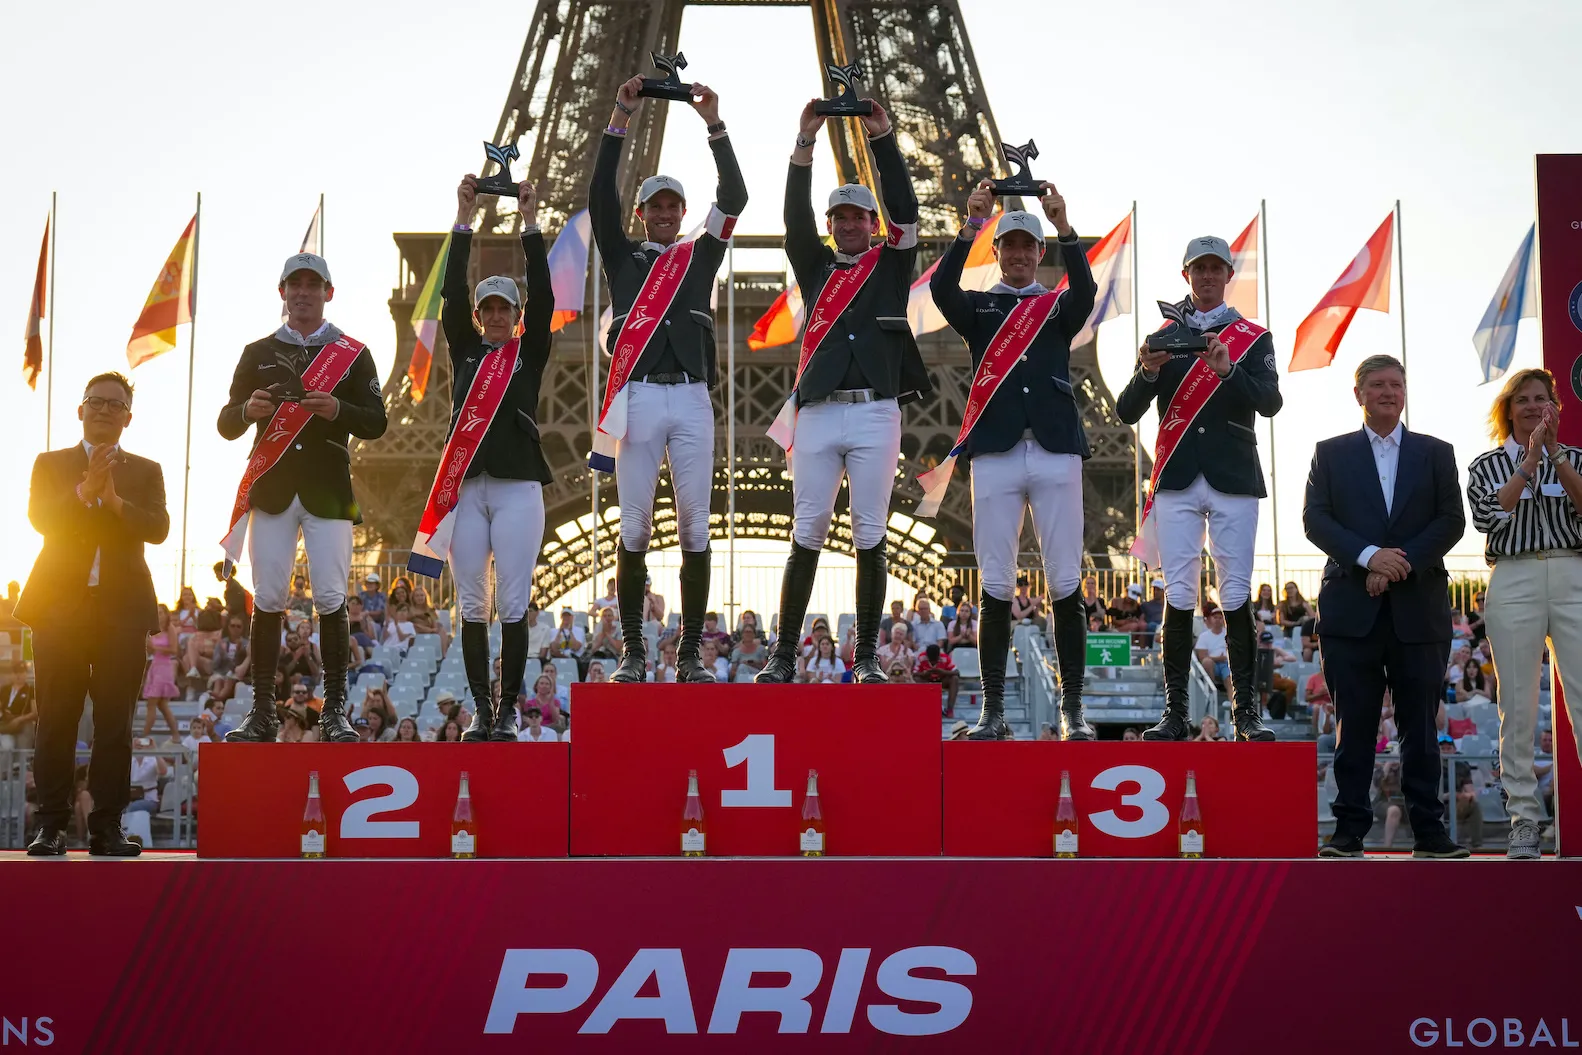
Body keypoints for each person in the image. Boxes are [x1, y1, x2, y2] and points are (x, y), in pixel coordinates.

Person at [755, 94, 930, 686]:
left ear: (870, 224)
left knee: (870, 534)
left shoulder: (890, 265)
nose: (849, 224)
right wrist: (804, 143)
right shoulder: (814, 266)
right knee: (806, 532)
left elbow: (907, 213)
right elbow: (792, 218)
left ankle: (865, 661)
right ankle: (783, 656)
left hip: (877, 413)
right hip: (820, 415)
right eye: (841, 217)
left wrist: (882, 137)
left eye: (858, 216)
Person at [926, 182, 1095, 741]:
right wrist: (971, 224)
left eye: (1029, 247)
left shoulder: (1057, 309)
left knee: (1066, 581)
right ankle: (992, 712)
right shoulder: (978, 308)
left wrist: (1064, 225)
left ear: (1040, 254)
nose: (1020, 255)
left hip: (1054, 451)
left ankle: (1072, 711)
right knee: (995, 584)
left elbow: (1087, 290)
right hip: (995, 453)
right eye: (1010, 247)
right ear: (996, 253)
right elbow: (942, 286)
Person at [591, 73, 744, 686]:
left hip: (690, 398)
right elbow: (600, 193)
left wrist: (714, 124)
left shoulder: (700, 253)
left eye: (671, 206)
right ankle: (633, 652)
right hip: (640, 399)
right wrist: (619, 119)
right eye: (652, 206)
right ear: (641, 214)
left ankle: (686, 658)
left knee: (696, 526)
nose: (661, 214)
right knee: (633, 525)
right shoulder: (623, 257)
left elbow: (734, 195)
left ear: (683, 214)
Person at [219, 251, 388, 743]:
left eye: (313, 285)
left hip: (328, 489)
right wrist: (247, 410)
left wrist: (338, 408)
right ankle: (263, 711)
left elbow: (376, 421)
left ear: (328, 293)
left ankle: (334, 710)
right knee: (268, 597)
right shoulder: (256, 352)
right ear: (283, 292)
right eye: (295, 285)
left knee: (332, 597)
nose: (304, 293)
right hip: (271, 486)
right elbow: (226, 423)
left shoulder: (354, 354)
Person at [1119, 235, 1283, 742]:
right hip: (1178, 475)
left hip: (1233, 474)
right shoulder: (1164, 336)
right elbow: (1126, 410)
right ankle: (1175, 712)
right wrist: (1148, 372)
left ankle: (1247, 715)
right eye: (1199, 269)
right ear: (1186, 275)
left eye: (1217, 269)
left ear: (1228, 276)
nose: (1208, 277)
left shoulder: (1253, 338)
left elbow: (1270, 402)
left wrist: (1228, 370)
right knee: (1180, 593)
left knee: (1235, 591)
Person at [1305, 354, 1468, 860]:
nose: (1388, 392)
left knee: (1420, 728)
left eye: (1396, 384)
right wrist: (1370, 557)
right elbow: (1317, 520)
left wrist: (1397, 564)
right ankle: (1348, 833)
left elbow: (1450, 522)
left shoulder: (1437, 453)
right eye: (1377, 384)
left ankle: (1429, 833)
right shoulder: (1329, 454)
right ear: (1359, 394)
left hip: (1418, 611)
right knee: (1353, 728)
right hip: (1352, 611)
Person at [407, 176, 550, 742]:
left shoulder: (529, 351)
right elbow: (446, 297)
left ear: (515, 315)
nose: (494, 316)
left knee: (512, 600)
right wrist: (462, 218)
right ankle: (482, 713)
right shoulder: (464, 349)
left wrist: (532, 223)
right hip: (466, 490)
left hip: (517, 488)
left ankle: (508, 709)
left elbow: (545, 294)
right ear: (478, 313)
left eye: (503, 309)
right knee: (471, 602)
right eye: (486, 308)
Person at [21, 372, 168, 856]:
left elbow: (158, 528)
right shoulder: (51, 463)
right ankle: (51, 826)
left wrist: (114, 501)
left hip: (122, 613)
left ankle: (107, 827)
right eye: (95, 402)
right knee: (56, 722)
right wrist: (86, 489)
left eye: (115, 404)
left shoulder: (146, 470)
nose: (104, 409)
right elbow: (41, 518)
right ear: (80, 410)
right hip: (60, 611)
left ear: (128, 417)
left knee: (115, 726)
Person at [1466, 367, 1582, 860]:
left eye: (1542, 398)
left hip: (1572, 571)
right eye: (1524, 400)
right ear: (1508, 409)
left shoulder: (1574, 457)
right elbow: (1488, 517)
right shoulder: (1487, 465)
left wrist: (1554, 456)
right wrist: (1529, 460)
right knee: (1516, 704)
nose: (1534, 407)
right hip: (1514, 576)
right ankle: (1524, 820)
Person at [141, 605, 182, 740]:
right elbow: (151, 651)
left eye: (161, 613)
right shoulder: (153, 630)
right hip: (155, 667)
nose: (159, 615)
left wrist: (155, 647)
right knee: (162, 705)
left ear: (166, 614)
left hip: (164, 667)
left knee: (151, 704)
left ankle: (143, 735)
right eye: (157, 612)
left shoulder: (170, 628)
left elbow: (174, 650)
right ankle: (175, 734)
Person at [913, 643, 960, 715]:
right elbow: (914, 673)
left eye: (935, 661)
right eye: (931, 661)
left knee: (954, 679)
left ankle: (950, 709)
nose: (933, 663)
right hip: (927, 682)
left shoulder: (945, 657)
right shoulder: (921, 657)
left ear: (938, 656)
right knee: (916, 679)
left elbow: (957, 672)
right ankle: (920, 707)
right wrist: (923, 674)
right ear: (927, 656)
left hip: (941, 681)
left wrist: (943, 672)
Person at [1194, 605, 1230, 688]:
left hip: (1226, 664)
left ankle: (1232, 699)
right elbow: (1202, 657)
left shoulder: (1229, 634)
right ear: (1211, 619)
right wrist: (1218, 658)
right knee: (1207, 662)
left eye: (1220, 618)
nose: (1217, 620)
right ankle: (1212, 689)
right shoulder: (1204, 636)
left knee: (1229, 676)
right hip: (1213, 665)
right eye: (1215, 617)